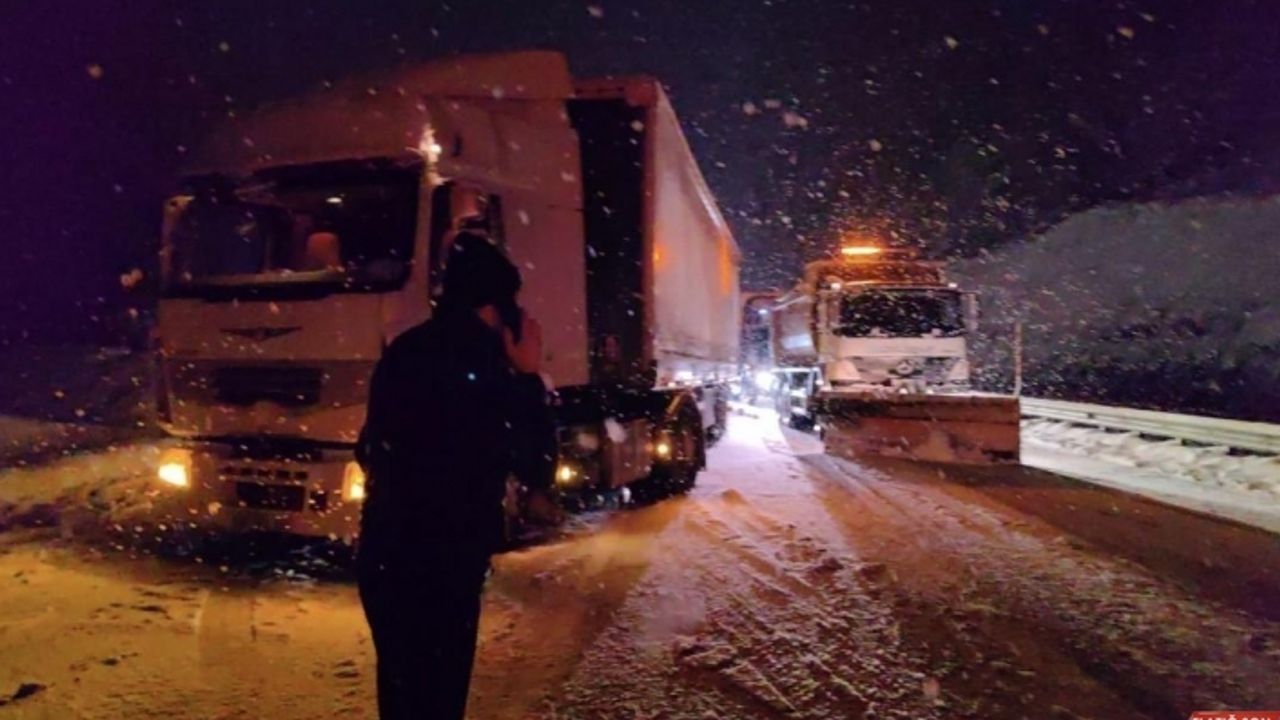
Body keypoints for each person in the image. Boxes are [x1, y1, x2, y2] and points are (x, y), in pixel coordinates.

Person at [354, 233, 557, 720]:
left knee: (401, 696)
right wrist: (529, 375)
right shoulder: (490, 370)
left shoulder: (405, 350)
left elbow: (369, 448)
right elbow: (538, 464)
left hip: (385, 554)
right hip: (446, 562)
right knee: (439, 699)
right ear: (494, 307)